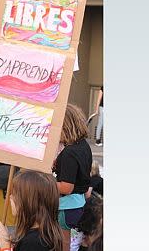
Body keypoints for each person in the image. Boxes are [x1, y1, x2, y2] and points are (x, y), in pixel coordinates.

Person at [53, 104, 93, 251]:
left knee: (64, 243)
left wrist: (46, 182)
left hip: (66, 206)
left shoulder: (70, 152)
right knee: (74, 243)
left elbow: (66, 187)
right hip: (79, 203)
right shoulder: (83, 146)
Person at [0, 170, 64, 251]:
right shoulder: (44, 233)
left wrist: (4, 246)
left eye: (15, 194)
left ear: (29, 203)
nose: (10, 196)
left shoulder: (34, 242)